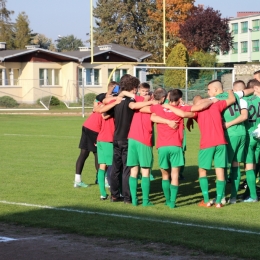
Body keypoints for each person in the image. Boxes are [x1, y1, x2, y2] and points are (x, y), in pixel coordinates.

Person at [140, 89, 215, 208]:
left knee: (165, 175)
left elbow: (144, 111)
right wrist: (212, 100)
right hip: (176, 145)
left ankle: (167, 199)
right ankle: (173, 203)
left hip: (162, 146)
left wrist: (154, 107)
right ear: (180, 99)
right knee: (175, 174)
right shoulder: (181, 108)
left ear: (168, 98)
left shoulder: (159, 108)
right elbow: (198, 108)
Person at [100, 74, 157, 204]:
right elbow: (136, 106)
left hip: (116, 137)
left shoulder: (117, 101)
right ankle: (128, 197)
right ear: (133, 88)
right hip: (128, 138)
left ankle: (114, 195)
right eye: (136, 87)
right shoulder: (131, 101)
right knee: (128, 169)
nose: (137, 90)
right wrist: (151, 102)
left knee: (115, 168)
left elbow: (104, 114)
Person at [127, 87, 175, 206]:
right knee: (145, 171)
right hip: (144, 139)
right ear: (163, 98)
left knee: (133, 170)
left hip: (132, 138)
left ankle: (134, 200)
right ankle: (145, 201)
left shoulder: (140, 101)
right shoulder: (157, 107)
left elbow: (134, 106)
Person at [191, 85, 236, 208]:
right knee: (220, 170)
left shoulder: (195, 110)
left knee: (202, 171)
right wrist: (230, 91)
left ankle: (206, 200)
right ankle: (219, 201)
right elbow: (232, 99)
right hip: (221, 142)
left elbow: (185, 114)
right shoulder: (216, 105)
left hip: (207, 143)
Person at [74, 101, 102, 188]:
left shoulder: (104, 99)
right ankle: (101, 180)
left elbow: (96, 101)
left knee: (84, 154)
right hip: (94, 129)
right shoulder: (108, 99)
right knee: (98, 154)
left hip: (87, 126)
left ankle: (77, 180)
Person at [242, 78, 260, 202]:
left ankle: (253, 196)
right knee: (256, 165)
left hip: (249, 135)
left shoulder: (244, 101)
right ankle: (249, 192)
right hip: (259, 135)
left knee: (249, 167)